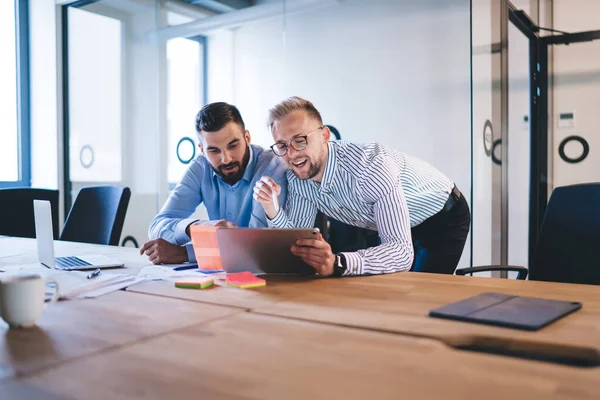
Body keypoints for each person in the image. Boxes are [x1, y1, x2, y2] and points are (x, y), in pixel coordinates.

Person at [253, 96, 470, 277]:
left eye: (300, 140)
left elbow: (401, 253)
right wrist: (272, 209)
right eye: (282, 145)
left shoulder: (370, 167)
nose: (292, 154)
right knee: (387, 294)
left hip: (441, 218)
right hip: (386, 226)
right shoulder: (297, 177)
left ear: (324, 135)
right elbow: (297, 243)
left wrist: (337, 263)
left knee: (421, 296)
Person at [141, 102, 288, 264]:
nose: (226, 159)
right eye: (214, 150)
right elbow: (156, 227)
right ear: (202, 150)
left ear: (247, 138)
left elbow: (257, 245)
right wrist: (198, 229)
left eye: (233, 145)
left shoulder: (273, 168)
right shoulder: (200, 167)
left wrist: (184, 253)